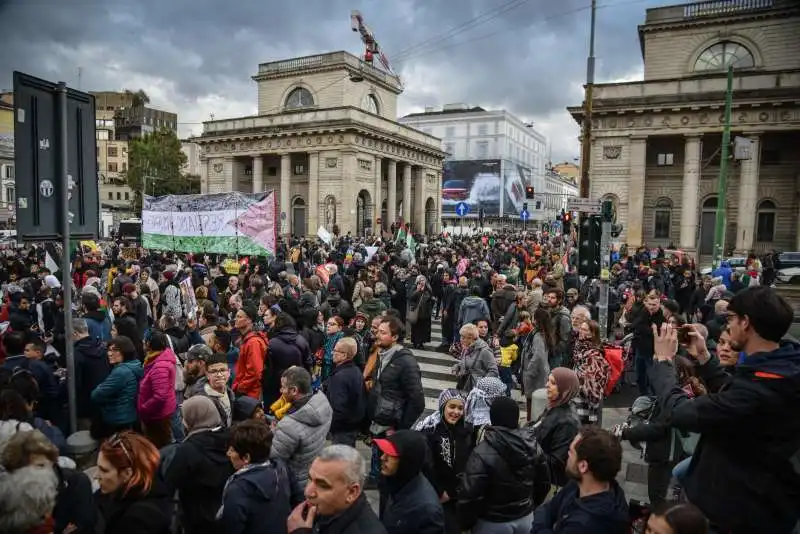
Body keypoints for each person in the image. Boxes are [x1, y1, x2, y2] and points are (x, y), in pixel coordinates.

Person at [658, 286, 800, 534]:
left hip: (735, 515)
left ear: (746, 323)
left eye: (732, 318)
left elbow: (679, 413)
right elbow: (733, 394)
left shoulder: (762, 388)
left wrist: (662, 363)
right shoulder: (781, 369)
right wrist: (704, 357)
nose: (729, 325)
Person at [532, 427, 629, 533]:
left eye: (571, 452)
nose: (567, 455)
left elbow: (542, 516)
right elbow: (548, 509)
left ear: (583, 466)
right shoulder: (578, 484)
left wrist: (540, 525)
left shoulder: (585, 525)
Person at [162, 395, 233, 534]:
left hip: (197, 518)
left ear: (191, 418)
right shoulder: (231, 440)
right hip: (229, 513)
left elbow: (168, 484)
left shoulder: (186, 451)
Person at [219, 419, 299, 534]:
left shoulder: (238, 489)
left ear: (246, 457)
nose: (228, 453)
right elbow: (298, 501)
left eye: (232, 450)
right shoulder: (281, 468)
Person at [287, 444, 387, 534]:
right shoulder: (326, 510)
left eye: (322, 485)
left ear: (352, 492)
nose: (308, 492)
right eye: (310, 478)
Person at [414, 389, 473, 534]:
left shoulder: (465, 432)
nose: (456, 412)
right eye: (451, 407)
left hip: (456, 496)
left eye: (460, 408)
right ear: (443, 407)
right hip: (436, 495)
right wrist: (440, 491)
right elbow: (426, 465)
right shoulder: (431, 431)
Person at [94, 431, 172, 534]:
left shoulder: (139, 520)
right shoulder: (119, 490)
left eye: (104, 470)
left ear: (127, 473)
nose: (96, 475)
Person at [271, 366, 333, 491]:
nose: (280, 390)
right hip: (310, 473)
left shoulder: (288, 426)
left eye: (283, 387)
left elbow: (275, 459)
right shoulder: (323, 403)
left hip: (293, 482)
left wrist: (274, 432)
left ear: (294, 390)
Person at [374, 430, 445, 534]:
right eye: (384, 452)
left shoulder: (427, 509)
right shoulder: (395, 481)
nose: (383, 457)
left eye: (390, 455)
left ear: (406, 461)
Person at [90, 336, 142, 439]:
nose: (110, 353)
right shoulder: (134, 365)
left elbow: (96, 395)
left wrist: (101, 386)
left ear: (126, 352)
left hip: (117, 419)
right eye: (109, 350)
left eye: (115, 350)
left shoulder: (121, 372)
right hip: (129, 416)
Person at [323, 337, 366, 447]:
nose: (333, 352)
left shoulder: (340, 377)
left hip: (342, 430)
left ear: (344, 355)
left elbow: (338, 408)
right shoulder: (356, 371)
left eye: (336, 350)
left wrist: (330, 427)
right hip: (352, 426)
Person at [232, 305, 268, 399]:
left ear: (249, 320)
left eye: (239, 317)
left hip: (251, 393)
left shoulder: (253, 342)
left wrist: (240, 388)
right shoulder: (247, 339)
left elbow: (255, 373)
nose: (235, 319)